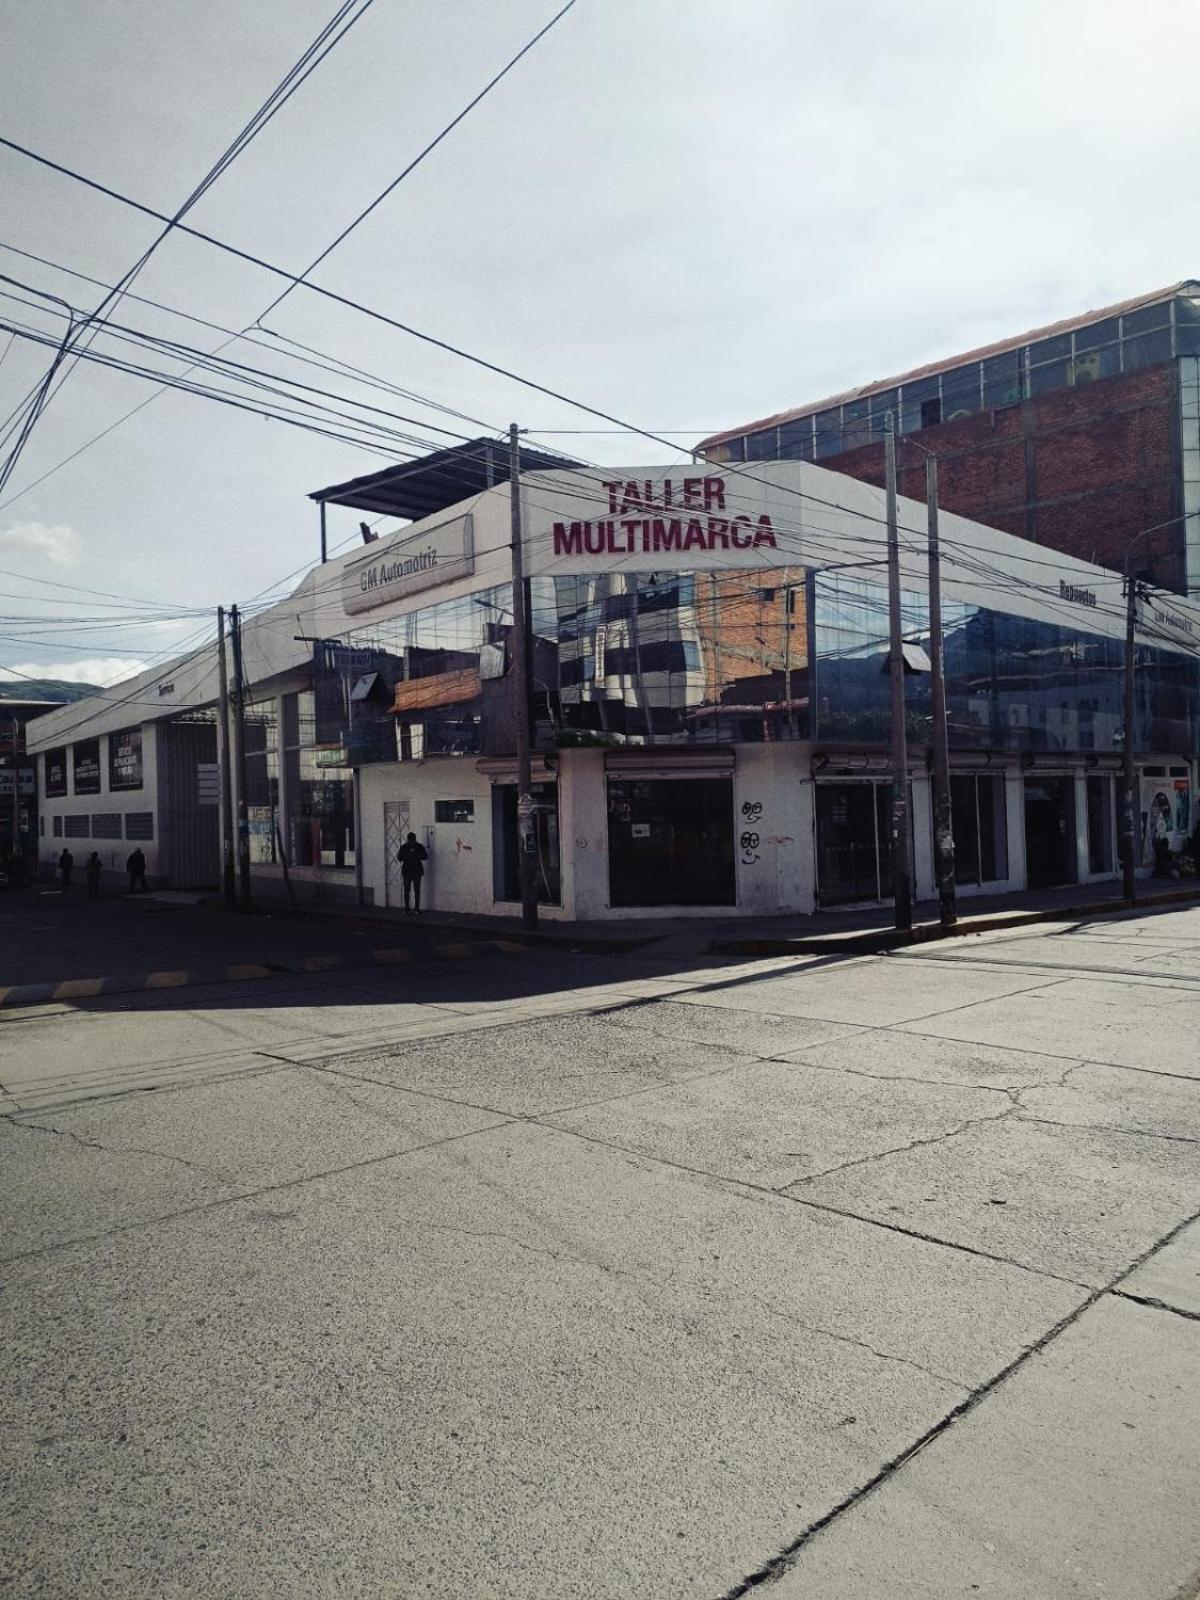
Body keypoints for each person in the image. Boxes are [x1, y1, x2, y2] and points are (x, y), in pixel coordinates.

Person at [396, 831, 428, 915]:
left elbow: (399, 858)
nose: (411, 842)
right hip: (415, 870)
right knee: (415, 890)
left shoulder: (405, 847)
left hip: (408, 870)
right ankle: (415, 909)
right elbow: (400, 858)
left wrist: (411, 855)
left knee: (408, 890)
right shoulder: (418, 846)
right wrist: (413, 855)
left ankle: (408, 909)